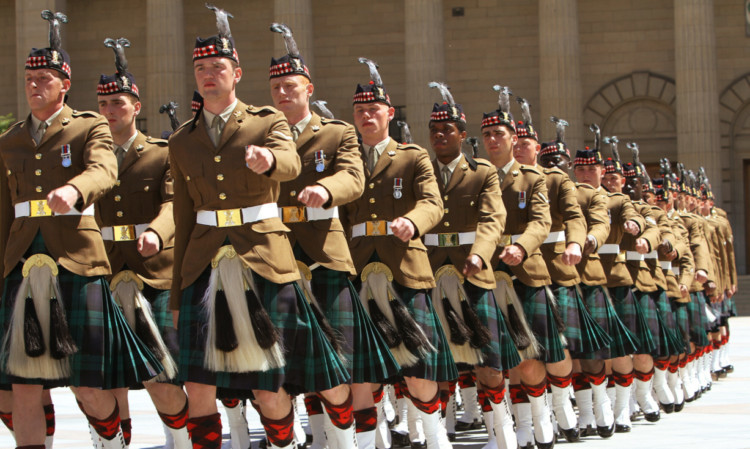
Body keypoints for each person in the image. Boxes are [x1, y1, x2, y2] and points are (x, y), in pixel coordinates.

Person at [167, 6, 349, 448]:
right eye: (201, 68)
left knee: (270, 385)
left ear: (236, 73)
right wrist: (176, 292)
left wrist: (268, 161)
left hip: (264, 260)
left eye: (218, 67)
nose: (209, 75)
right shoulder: (180, 140)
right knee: (198, 386)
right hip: (203, 264)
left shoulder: (267, 121)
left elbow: (289, 162)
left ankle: (288, 442)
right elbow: (183, 218)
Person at [0, 10, 161, 449]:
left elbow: (104, 170)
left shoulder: (89, 126)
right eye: (30, 79)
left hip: (75, 260)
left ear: (64, 84)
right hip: (21, 262)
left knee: (87, 383)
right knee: (23, 385)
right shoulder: (10, 140)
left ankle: (111, 442)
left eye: (46, 79)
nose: (35, 86)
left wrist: (74, 189)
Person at [268, 24, 399, 449]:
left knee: (340, 363)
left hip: (324, 255)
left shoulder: (336, 132)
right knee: (281, 366)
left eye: (290, 86)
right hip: (275, 259)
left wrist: (326, 191)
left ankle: (346, 441)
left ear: (309, 88)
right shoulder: (260, 131)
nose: (283, 94)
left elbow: (352, 178)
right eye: (276, 87)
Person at [343, 58, 456, 449]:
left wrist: (413, 221)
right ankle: (371, 439)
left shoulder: (413, 156)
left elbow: (433, 203)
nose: (366, 116)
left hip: (404, 266)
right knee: (361, 366)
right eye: (360, 111)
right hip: (357, 270)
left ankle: (434, 433)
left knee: (417, 361)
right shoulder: (347, 158)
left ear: (389, 113)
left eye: (373, 109)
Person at [94, 37, 190, 448]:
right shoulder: (88, 157)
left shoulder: (160, 153)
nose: (112, 111)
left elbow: (173, 204)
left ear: (136, 106)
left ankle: (181, 440)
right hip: (102, 270)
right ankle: (115, 442)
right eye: (105, 104)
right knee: (105, 374)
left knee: (159, 371)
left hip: (151, 272)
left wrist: (156, 231)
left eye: (119, 103)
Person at [424, 82, 519, 449]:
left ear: (462, 135)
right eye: (433, 130)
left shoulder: (482, 173)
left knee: (488, 361)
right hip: (430, 273)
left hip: (473, 273)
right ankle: (439, 430)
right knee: (436, 358)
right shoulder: (422, 170)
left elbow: (493, 219)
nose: (439, 136)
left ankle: (501, 429)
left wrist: (480, 253)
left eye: (447, 129)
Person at [482, 85, 558, 449]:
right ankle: (509, 430)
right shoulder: (476, 176)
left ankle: (538, 420)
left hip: (523, 271)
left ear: (513, 139)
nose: (493, 139)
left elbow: (541, 223)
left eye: (499, 133)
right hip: (484, 273)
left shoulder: (532, 178)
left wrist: (522, 247)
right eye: (487, 134)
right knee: (495, 359)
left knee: (528, 359)